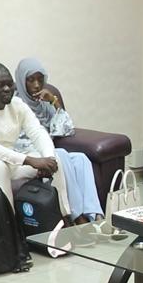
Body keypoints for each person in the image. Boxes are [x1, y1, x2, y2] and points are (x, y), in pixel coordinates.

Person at [0, 63, 73, 269]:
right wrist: (29, 160)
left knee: (56, 160)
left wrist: (47, 158)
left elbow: (38, 132)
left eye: (10, 84)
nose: (7, 89)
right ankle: (12, 239)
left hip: (9, 162)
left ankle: (63, 222)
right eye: (0, 85)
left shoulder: (17, 105)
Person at [12, 58, 104, 225]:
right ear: (21, 81)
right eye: (31, 80)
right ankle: (77, 217)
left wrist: (54, 102)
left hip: (48, 154)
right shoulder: (13, 105)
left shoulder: (43, 104)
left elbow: (67, 129)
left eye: (40, 80)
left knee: (81, 159)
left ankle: (95, 216)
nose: (36, 85)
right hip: (28, 158)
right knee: (60, 154)